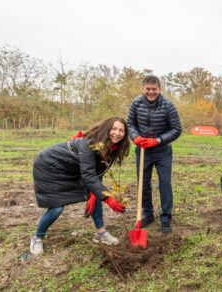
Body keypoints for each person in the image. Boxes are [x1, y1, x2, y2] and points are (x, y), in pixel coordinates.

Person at [30, 117, 129, 255]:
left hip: (71, 168)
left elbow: (98, 172)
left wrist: (96, 194)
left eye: (121, 130)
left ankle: (101, 233)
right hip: (49, 166)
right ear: (106, 129)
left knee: (96, 194)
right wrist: (109, 199)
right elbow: (89, 175)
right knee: (57, 207)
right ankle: (37, 237)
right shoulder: (88, 144)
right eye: (114, 129)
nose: (117, 133)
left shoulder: (112, 148)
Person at [127, 75, 182, 233]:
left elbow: (176, 130)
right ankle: (148, 214)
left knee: (165, 184)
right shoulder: (136, 103)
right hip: (143, 150)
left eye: (154, 89)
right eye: (148, 89)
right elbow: (130, 123)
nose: (151, 92)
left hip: (162, 151)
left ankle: (165, 218)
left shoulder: (168, 106)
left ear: (160, 89)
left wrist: (158, 140)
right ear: (143, 88)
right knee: (143, 184)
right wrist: (135, 136)